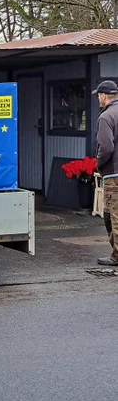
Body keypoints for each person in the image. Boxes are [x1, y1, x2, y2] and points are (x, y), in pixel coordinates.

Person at [94, 80, 118, 266]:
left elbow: (106, 147)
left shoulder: (105, 117)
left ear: (103, 96)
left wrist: (98, 163)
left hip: (114, 175)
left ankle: (116, 255)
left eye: (98, 96)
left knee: (112, 216)